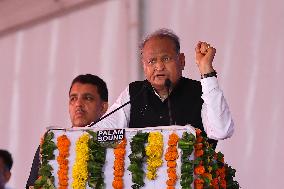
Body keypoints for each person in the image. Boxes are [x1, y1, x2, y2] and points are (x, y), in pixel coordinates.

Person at [95, 28, 234, 147]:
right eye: (152, 61)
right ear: (144, 67)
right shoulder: (134, 93)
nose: (159, 66)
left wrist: (206, 70)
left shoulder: (200, 91)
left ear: (181, 61)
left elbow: (221, 131)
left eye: (166, 59)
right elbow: (100, 133)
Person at [25, 74, 108, 188]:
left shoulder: (113, 144)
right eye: (73, 98)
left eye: (87, 98)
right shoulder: (51, 143)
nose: (78, 104)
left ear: (103, 107)